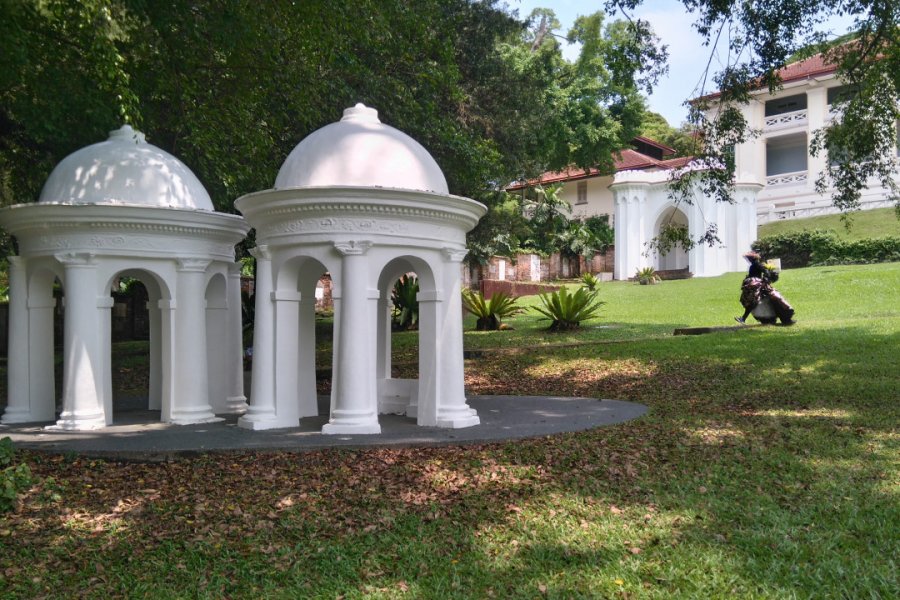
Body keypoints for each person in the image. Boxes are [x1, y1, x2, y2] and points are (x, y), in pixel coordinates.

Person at [735, 251, 795, 325]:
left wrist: (765, 278)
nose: (748, 260)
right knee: (754, 301)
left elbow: (765, 271)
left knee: (753, 301)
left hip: (757, 285)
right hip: (756, 285)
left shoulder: (757, 264)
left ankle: (743, 318)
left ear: (752, 258)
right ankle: (746, 318)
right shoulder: (754, 264)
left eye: (749, 258)